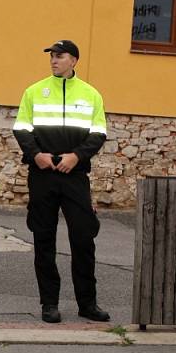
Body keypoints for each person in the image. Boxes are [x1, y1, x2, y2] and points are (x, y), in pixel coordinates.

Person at [12, 39, 110, 324]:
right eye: (52, 56)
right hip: (42, 174)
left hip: (74, 175)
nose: (54, 60)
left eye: (60, 55)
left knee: (83, 237)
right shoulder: (34, 91)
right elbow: (21, 128)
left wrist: (76, 157)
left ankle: (87, 303)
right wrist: (36, 155)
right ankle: (49, 303)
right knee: (44, 239)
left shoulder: (91, 95)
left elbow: (99, 133)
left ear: (74, 61)